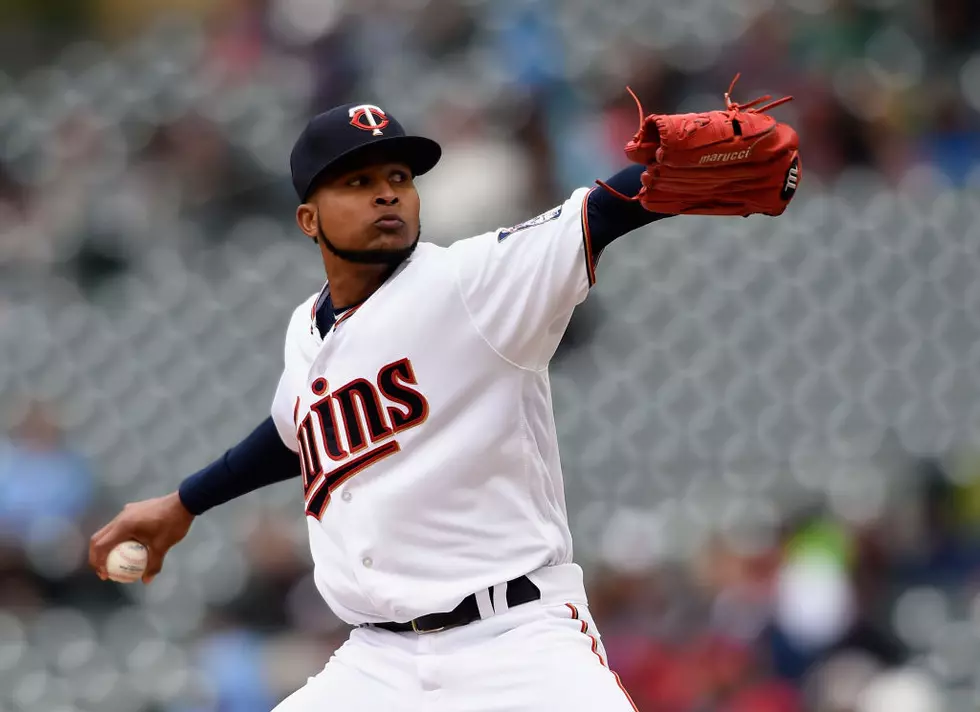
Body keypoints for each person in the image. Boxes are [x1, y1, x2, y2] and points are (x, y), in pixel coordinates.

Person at [90, 98, 795, 711]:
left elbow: (599, 213)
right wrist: (184, 502)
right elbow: (294, 430)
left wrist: (654, 182)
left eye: (399, 177)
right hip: (378, 665)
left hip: (517, 642)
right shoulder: (307, 329)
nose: (388, 194)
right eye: (359, 181)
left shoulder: (473, 282)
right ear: (309, 218)